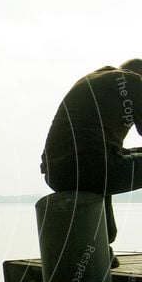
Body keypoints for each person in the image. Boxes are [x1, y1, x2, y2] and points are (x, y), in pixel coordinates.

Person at [41, 59, 142, 267]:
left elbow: (91, 144)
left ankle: (101, 248)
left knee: (102, 167)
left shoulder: (95, 80)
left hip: (57, 173)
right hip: (92, 168)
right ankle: (101, 248)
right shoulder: (134, 82)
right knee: (100, 168)